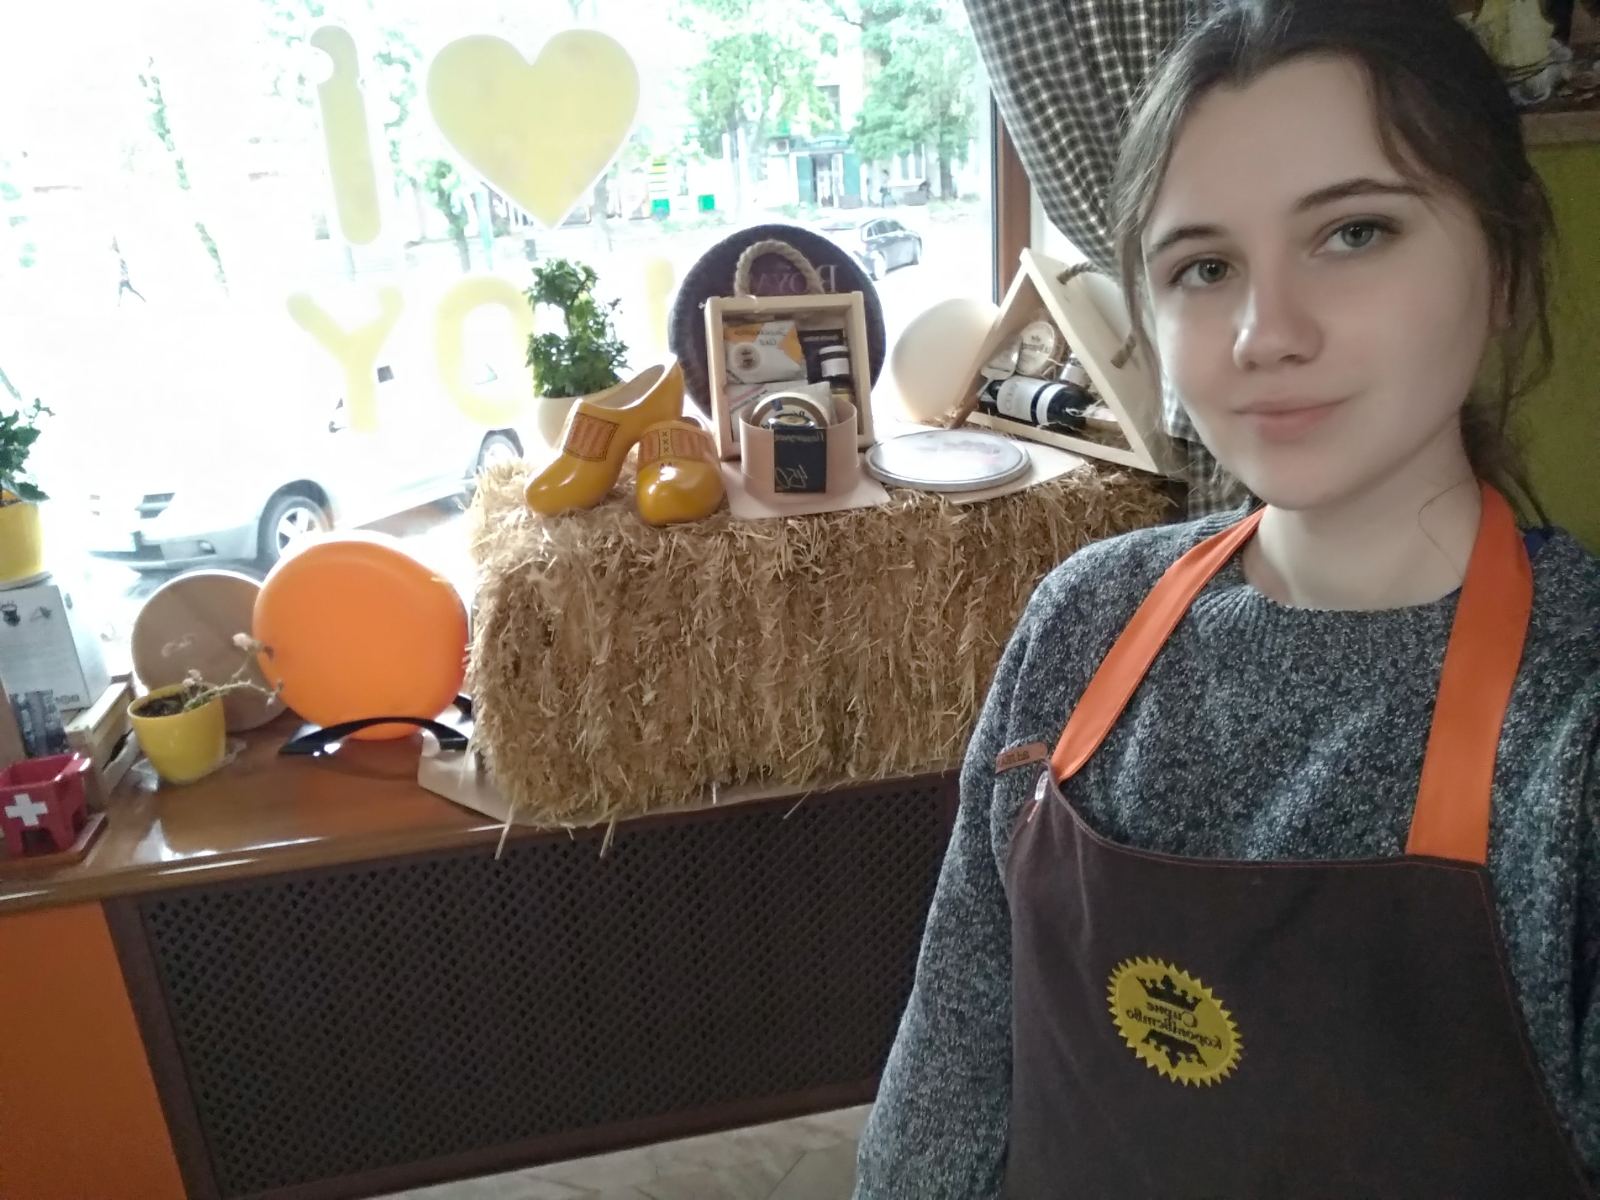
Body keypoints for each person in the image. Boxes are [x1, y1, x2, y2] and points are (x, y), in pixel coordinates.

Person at [854, 1, 1600, 1196]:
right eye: (1203, 267)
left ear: (1503, 265)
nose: (1266, 333)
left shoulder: (1574, 724)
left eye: (1353, 233)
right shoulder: (1083, 620)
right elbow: (946, 1089)